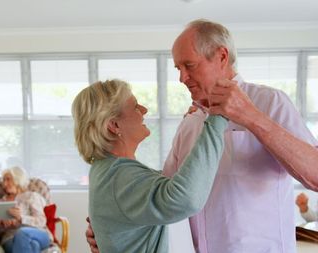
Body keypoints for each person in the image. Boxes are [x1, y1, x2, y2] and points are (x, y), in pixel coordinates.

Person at [86, 19, 318, 253]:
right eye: (178, 68)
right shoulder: (191, 122)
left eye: (189, 66)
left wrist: (251, 117)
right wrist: (110, 227)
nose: (182, 78)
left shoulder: (270, 102)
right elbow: (167, 198)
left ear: (221, 57)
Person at [72, 79, 228, 253]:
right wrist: (218, 117)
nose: (144, 110)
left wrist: (189, 129)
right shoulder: (118, 177)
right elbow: (185, 198)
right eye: (135, 106)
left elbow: (166, 185)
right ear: (114, 125)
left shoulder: (109, 169)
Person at [0, 166, 52, 253]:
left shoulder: (31, 196)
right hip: (10, 239)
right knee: (34, 246)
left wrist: (21, 218)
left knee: (22, 232)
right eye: (4, 180)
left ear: (18, 180)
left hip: (37, 234)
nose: (4, 184)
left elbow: (41, 221)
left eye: (8, 179)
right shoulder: (0, 203)